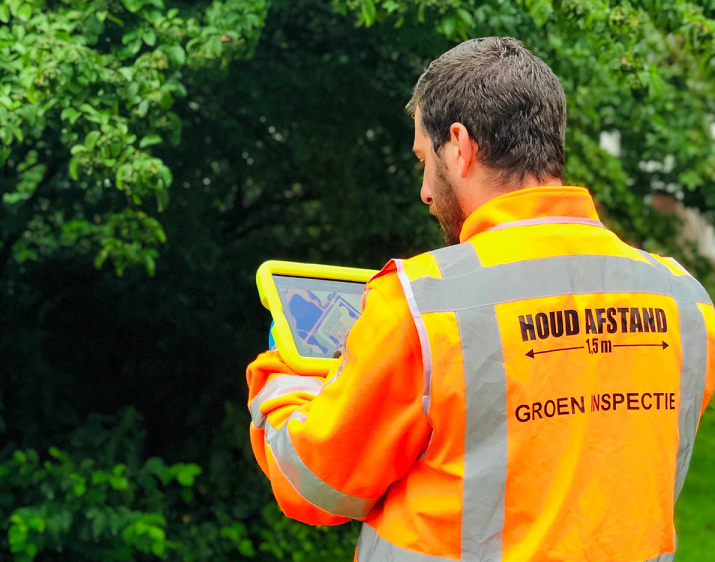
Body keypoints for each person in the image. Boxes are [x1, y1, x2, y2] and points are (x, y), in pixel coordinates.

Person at [246, 37, 715, 561]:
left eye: (424, 160)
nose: (426, 191)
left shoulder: (420, 306)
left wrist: (281, 380)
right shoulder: (687, 304)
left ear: (459, 145)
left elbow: (317, 483)